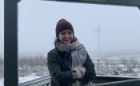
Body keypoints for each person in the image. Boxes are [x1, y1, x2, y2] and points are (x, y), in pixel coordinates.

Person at [47, 19, 96, 86]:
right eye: (63, 33)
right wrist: (80, 71)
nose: (67, 36)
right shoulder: (53, 54)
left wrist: (78, 83)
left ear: (73, 34)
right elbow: (58, 78)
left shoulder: (81, 50)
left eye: (69, 33)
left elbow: (92, 73)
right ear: (58, 36)